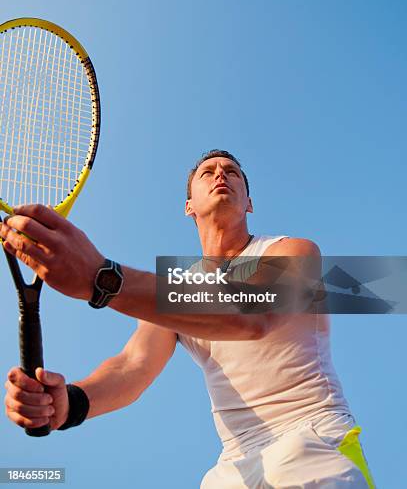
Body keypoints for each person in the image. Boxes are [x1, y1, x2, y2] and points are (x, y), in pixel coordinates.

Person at [2, 150, 375, 488]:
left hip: (313, 440)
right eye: (208, 172)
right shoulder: (176, 288)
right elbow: (132, 366)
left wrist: (103, 278)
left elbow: (251, 317)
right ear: (188, 206)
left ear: (249, 204)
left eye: (233, 172)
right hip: (233, 467)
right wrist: (69, 403)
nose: (221, 175)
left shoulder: (292, 250)